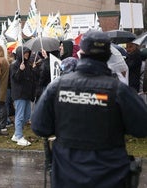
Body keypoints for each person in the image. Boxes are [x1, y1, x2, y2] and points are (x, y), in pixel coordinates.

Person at [31, 30, 147, 188]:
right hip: (109, 176)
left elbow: (39, 127)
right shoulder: (119, 90)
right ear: (108, 55)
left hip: (67, 175)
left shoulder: (57, 87)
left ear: (81, 54)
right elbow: (141, 127)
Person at [10, 46, 35, 146]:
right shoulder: (14, 65)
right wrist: (20, 70)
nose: (27, 54)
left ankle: (17, 134)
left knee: (27, 115)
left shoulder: (28, 65)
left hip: (27, 94)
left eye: (28, 53)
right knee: (20, 116)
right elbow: (15, 79)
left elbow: (31, 79)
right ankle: (19, 136)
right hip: (19, 94)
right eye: (25, 53)